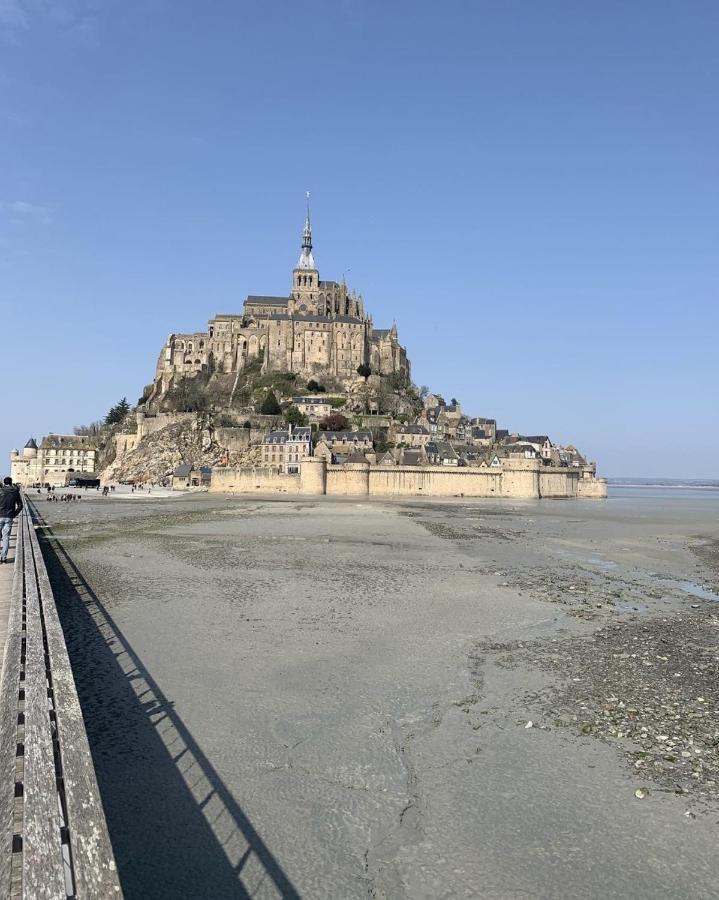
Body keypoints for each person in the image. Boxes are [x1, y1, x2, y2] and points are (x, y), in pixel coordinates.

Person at [0, 476, 23, 564]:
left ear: (4, 483)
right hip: (9, 516)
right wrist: (14, 514)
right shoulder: (15, 492)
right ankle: (3, 558)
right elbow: (20, 506)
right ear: (11, 482)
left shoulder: (0, 491)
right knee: (6, 538)